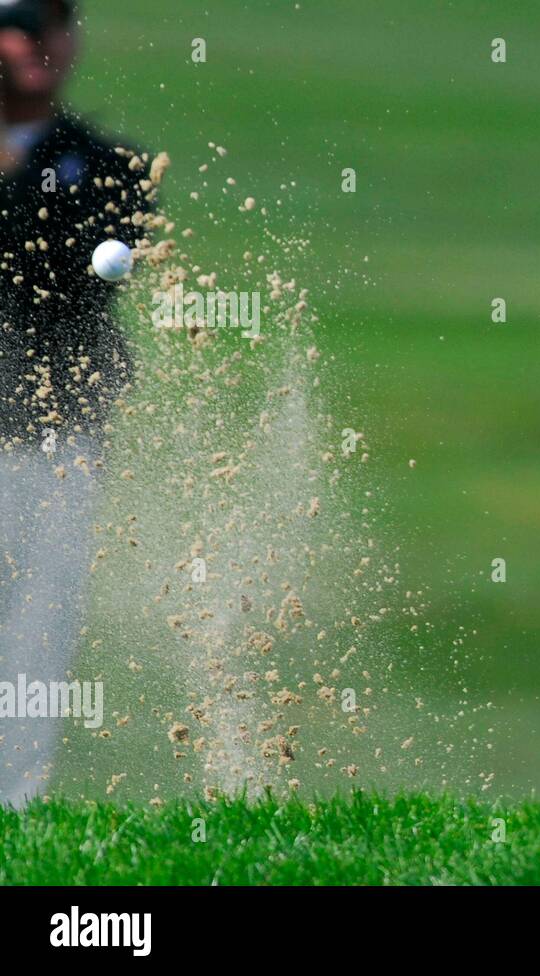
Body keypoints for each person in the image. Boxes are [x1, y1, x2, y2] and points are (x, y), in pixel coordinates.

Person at [0, 0, 149, 807]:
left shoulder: (103, 162)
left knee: (33, 637)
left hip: (50, 442)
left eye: (55, 22)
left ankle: (12, 815)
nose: (39, 41)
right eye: (19, 20)